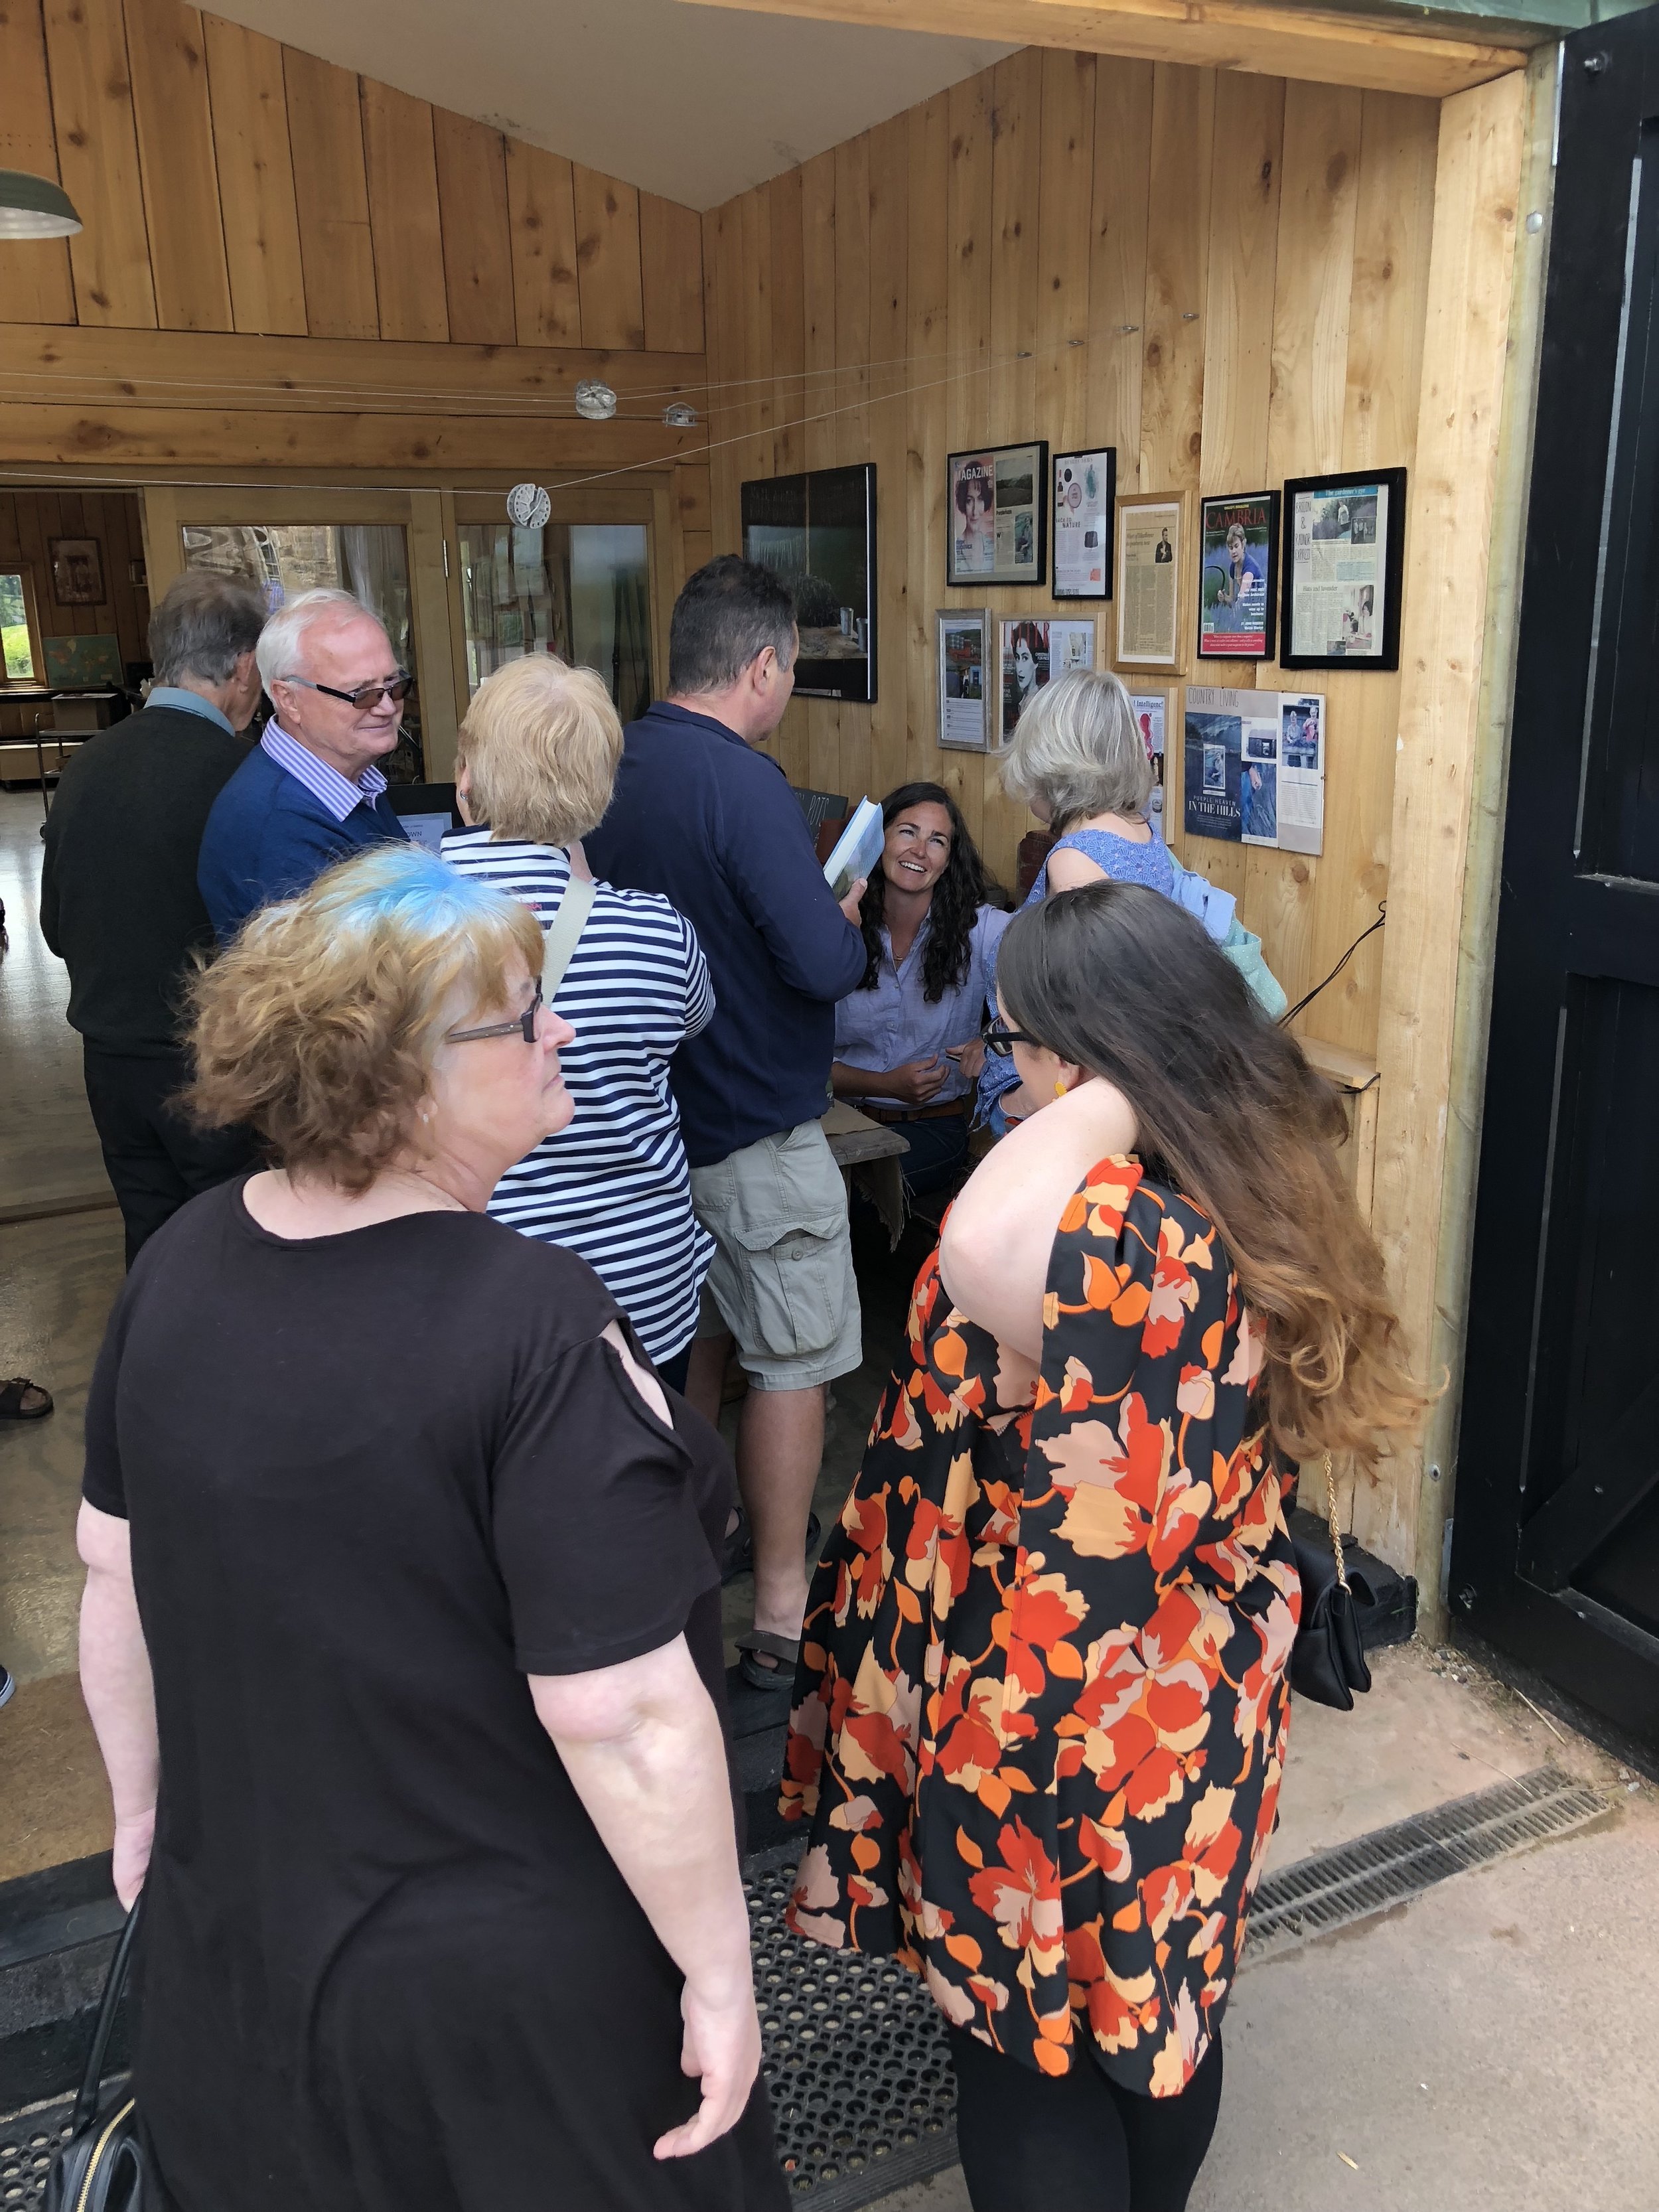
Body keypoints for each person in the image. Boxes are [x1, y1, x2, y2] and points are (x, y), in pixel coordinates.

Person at [76, 844, 785, 2212]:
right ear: (396, 1076)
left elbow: (114, 1566)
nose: (561, 1027)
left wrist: (151, 1815)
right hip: (500, 2030)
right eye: (522, 1014)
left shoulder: (180, 1265)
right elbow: (621, 1711)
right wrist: (715, 1966)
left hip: (244, 1981)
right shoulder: (532, 1325)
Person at [783, 881, 1428, 2212]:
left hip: (1054, 1701)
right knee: (1154, 2000)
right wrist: (1125, 1058)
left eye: (1015, 1042)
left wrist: (1098, 1075)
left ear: (1093, 1057)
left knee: (1030, 2049)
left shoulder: (1125, 1231)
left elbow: (970, 1245)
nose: (1001, 1075)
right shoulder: (1236, 1184)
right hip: (1179, 1688)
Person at [586, 556, 867, 1694]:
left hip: (649, 1134)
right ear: (761, 664)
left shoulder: (610, 765)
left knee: (685, 1353)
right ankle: (784, 1610)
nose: (788, 686)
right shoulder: (745, 784)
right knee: (791, 1358)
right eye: (791, 667)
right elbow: (821, 961)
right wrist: (841, 912)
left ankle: (683, 1567)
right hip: (756, 1127)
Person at [443, 653, 714, 1392]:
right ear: (597, 794)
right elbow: (693, 1021)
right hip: (639, 1289)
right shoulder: (658, 933)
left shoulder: (395, 929)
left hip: (470, 1287)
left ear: (466, 774)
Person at [40, 572, 267, 1265]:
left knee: (154, 1244)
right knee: (236, 1248)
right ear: (245, 667)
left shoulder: (86, 766)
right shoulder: (240, 776)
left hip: (108, 1058)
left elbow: (54, 926)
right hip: (211, 1062)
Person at [981, 669, 1174, 1128]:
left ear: (1052, 765)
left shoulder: (1075, 858)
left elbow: (1077, 1015)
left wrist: (1025, 1107)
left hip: (1058, 1101)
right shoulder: (1143, 832)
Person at [198, 587, 409, 941]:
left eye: (394, 685)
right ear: (288, 698)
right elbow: (352, 984)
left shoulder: (348, 780)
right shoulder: (279, 828)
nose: (387, 707)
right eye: (362, 694)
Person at [831, 783, 1007, 1199]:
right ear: (880, 840)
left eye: (937, 841)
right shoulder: (837, 921)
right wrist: (884, 1084)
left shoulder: (982, 930)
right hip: (838, 1117)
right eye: (907, 832)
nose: (920, 851)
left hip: (932, 1128)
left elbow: (1050, 991)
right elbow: (799, 1062)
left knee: (853, 1197)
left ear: (949, 861)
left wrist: (995, 1037)